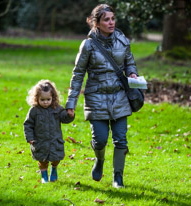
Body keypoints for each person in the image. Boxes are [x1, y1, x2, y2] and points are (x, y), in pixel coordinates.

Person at [66, 4, 138, 188]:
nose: (111, 22)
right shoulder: (88, 45)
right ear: (96, 23)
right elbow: (78, 74)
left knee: (121, 139)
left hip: (120, 97)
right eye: (106, 19)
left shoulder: (123, 41)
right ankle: (99, 160)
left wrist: (132, 74)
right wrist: (71, 103)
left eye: (113, 18)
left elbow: (130, 63)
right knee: (100, 140)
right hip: (96, 98)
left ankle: (118, 177)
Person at [23, 80, 74, 183]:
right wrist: (30, 138)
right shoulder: (34, 111)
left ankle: (54, 169)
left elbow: (64, 119)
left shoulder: (57, 109)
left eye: (48, 99)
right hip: (40, 141)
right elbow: (28, 124)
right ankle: (44, 175)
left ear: (53, 98)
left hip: (54, 140)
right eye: (42, 99)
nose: (45, 102)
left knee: (56, 157)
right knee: (42, 160)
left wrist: (70, 115)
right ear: (36, 98)